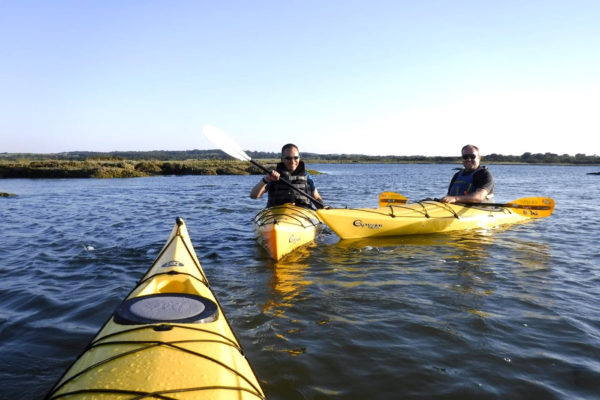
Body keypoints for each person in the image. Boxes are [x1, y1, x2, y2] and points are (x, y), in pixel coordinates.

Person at [250, 143, 322, 208]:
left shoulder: (306, 175)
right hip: (277, 214)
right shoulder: (273, 176)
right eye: (288, 158)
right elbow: (254, 196)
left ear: (299, 158)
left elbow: (316, 197)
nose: (292, 161)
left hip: (302, 214)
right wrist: (266, 179)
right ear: (282, 159)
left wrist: (322, 207)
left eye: (296, 158)